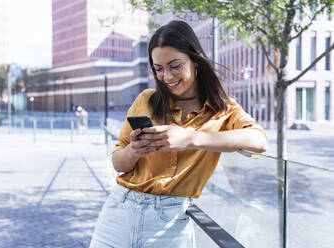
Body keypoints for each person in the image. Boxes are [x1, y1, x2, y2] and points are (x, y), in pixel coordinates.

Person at [89, 20, 267, 248]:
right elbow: (118, 163)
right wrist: (134, 150)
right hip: (119, 213)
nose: (167, 77)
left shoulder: (223, 109)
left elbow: (259, 141)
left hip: (171, 223)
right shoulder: (145, 100)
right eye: (159, 69)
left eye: (175, 66)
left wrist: (191, 138)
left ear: (195, 61)